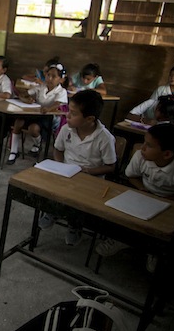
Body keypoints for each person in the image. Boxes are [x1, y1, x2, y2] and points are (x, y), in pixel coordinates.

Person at [95, 124, 174, 271]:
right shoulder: (141, 157)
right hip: (144, 194)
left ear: (166, 154)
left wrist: (164, 200)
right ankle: (122, 240)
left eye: (149, 145)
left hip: (171, 204)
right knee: (122, 215)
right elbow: (131, 176)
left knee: (161, 229)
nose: (142, 148)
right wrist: (142, 189)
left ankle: (153, 251)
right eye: (144, 142)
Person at [38, 90, 117, 245]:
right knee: (49, 187)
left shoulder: (104, 138)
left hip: (91, 179)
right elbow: (58, 150)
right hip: (66, 173)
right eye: (68, 110)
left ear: (89, 119)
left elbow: (110, 166)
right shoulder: (66, 129)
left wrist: (88, 172)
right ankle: (53, 211)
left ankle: (75, 224)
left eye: (73, 113)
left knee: (77, 200)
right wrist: (60, 166)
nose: (67, 115)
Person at [8, 63, 68, 164]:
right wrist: (26, 100)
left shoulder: (61, 91)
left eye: (53, 76)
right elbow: (24, 94)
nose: (49, 78)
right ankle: (13, 151)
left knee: (33, 129)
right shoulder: (41, 87)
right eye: (48, 75)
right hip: (35, 114)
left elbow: (58, 104)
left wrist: (48, 109)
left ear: (61, 79)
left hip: (49, 118)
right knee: (18, 122)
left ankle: (38, 144)